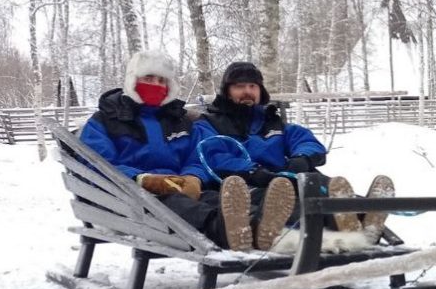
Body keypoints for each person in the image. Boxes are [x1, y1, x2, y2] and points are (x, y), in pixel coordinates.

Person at [78, 51, 294, 253]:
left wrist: (193, 177)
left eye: (162, 81)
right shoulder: (104, 121)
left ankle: (259, 226)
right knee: (176, 203)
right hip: (131, 195)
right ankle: (227, 232)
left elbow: (198, 155)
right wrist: (143, 179)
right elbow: (96, 164)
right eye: (149, 78)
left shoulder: (179, 120)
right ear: (133, 80)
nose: (156, 85)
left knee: (214, 197)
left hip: (179, 186)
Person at [191, 61, 394, 242]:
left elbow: (304, 139)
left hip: (286, 177)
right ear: (227, 91)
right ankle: (342, 227)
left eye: (252, 86)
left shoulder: (273, 122)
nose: (247, 91)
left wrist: (302, 157)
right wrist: (253, 170)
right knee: (287, 202)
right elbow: (214, 156)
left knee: (319, 184)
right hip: (247, 183)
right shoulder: (209, 123)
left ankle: (363, 214)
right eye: (239, 87)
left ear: (260, 91)